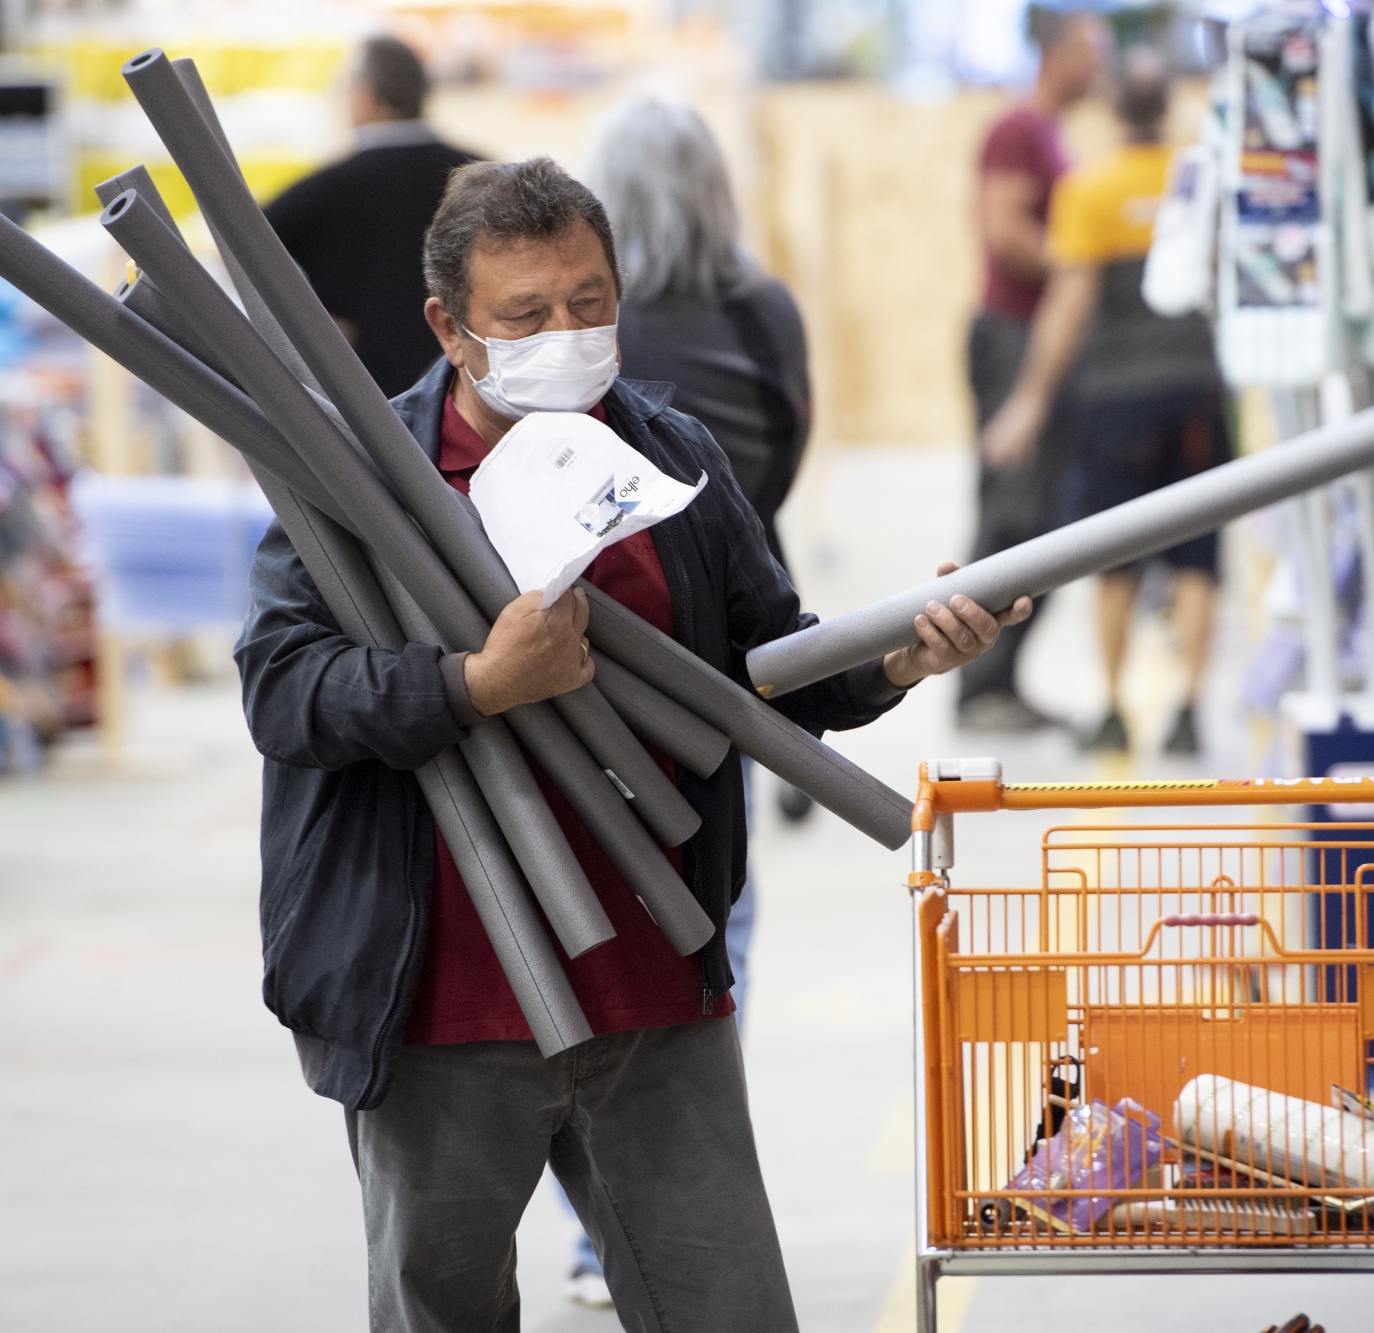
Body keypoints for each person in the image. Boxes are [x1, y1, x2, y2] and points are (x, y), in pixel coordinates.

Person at [233, 155, 1029, 1333]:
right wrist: (472, 684)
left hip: (656, 989)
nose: (568, 333)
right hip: (443, 1003)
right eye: (528, 315)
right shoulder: (362, 487)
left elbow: (769, 666)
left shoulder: (671, 458)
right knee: (440, 1312)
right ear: (450, 328)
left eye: (590, 302)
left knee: (731, 1310)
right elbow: (285, 691)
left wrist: (901, 656)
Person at [555, 94, 815, 1309]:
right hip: (716, 655)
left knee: (580, 915)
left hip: (577, 665)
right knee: (715, 919)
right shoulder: (761, 311)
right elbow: (788, 444)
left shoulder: (589, 334)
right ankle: (648, 1197)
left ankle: (594, 1216)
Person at [980, 53, 1230, 757]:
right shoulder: (1197, 184)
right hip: (1195, 392)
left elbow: (1068, 302)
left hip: (1114, 399)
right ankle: (1188, 709)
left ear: (1115, 112)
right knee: (1196, 555)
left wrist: (1027, 399)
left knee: (1116, 557)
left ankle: (1115, 706)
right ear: (1169, 107)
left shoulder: (1089, 189)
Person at [957, 4, 1108, 734]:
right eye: (1090, 47)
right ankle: (978, 686)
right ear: (1056, 53)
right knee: (1012, 512)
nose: (1100, 60)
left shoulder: (1049, 133)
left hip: (1037, 337)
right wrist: (1078, 261)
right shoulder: (1017, 129)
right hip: (1014, 337)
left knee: (1042, 518)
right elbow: (1006, 230)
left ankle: (1003, 682)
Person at [265, 36, 475, 396]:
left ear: (366, 94)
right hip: (470, 385)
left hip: (364, 396)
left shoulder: (325, 189)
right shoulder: (478, 175)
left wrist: (311, 327)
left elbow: (238, 247)